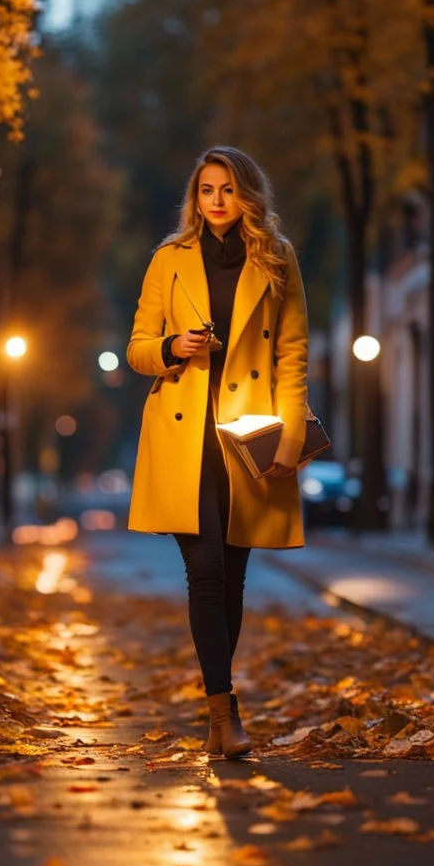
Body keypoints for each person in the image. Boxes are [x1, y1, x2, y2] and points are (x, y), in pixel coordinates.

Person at [126, 146, 310, 759]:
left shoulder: (278, 259)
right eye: (207, 190)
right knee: (203, 571)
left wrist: (290, 437)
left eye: (228, 189)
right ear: (195, 198)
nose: (217, 200)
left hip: (248, 436)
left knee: (232, 580)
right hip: (184, 435)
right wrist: (174, 345)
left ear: (247, 195)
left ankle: (218, 714)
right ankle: (223, 711)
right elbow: (136, 349)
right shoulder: (169, 260)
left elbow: (292, 353)